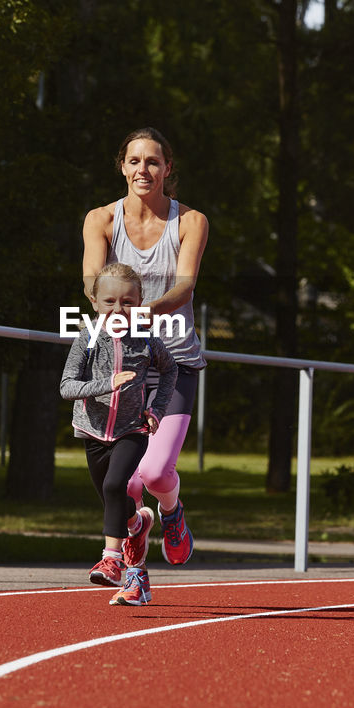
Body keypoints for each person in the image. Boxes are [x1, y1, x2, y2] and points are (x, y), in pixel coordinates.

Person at [82, 127, 208, 566]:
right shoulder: (101, 219)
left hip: (174, 362)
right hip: (126, 364)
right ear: (122, 166)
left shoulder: (190, 221)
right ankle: (135, 534)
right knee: (128, 484)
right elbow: (91, 283)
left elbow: (184, 289)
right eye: (134, 161)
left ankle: (172, 512)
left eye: (153, 161)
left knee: (155, 474)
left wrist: (142, 311)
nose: (143, 169)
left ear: (167, 168)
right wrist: (110, 310)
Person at [60, 262, 178, 607]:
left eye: (127, 302)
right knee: (114, 500)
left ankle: (111, 559)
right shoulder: (87, 336)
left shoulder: (146, 339)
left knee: (116, 486)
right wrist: (105, 385)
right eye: (109, 301)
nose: (118, 309)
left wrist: (156, 410)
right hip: (93, 431)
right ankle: (138, 526)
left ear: (139, 304)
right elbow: (67, 386)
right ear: (94, 303)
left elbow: (170, 370)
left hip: (132, 430)